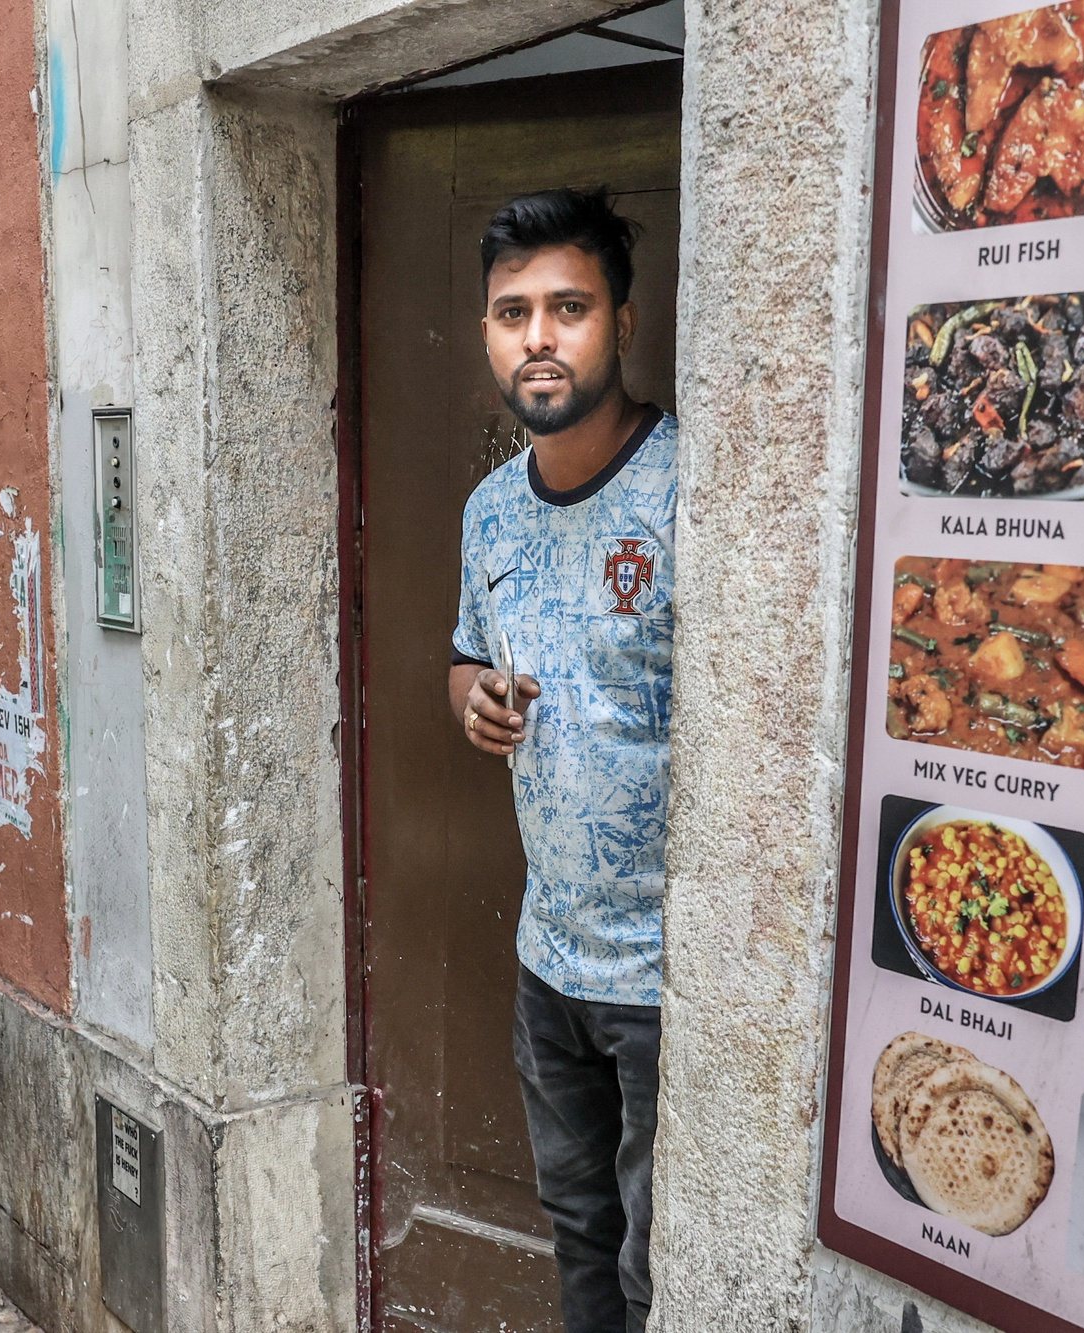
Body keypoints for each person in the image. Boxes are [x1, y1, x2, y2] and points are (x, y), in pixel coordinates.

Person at [447, 188, 675, 1333]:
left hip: (671, 979)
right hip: (551, 959)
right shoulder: (489, 512)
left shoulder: (692, 489)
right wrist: (474, 701)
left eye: (566, 307)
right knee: (580, 1236)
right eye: (510, 311)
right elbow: (462, 658)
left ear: (621, 326)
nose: (535, 335)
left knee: (659, 1267)